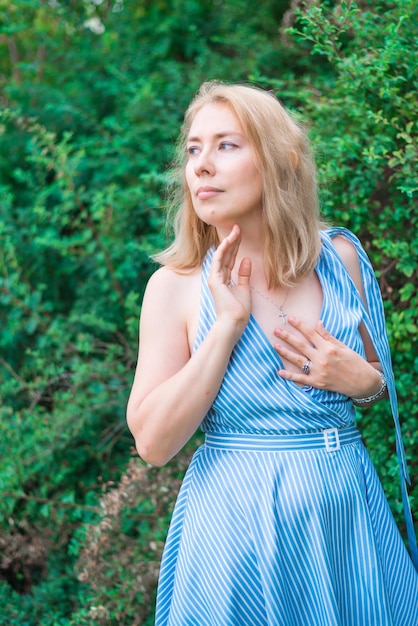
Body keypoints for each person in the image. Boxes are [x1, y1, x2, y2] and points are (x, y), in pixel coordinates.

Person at [126, 81, 418, 625]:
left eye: (226, 145)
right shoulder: (176, 286)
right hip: (235, 529)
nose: (202, 166)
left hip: (346, 519)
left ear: (281, 162)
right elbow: (153, 442)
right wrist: (227, 325)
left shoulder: (342, 260)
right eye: (193, 149)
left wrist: (365, 384)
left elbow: (377, 383)